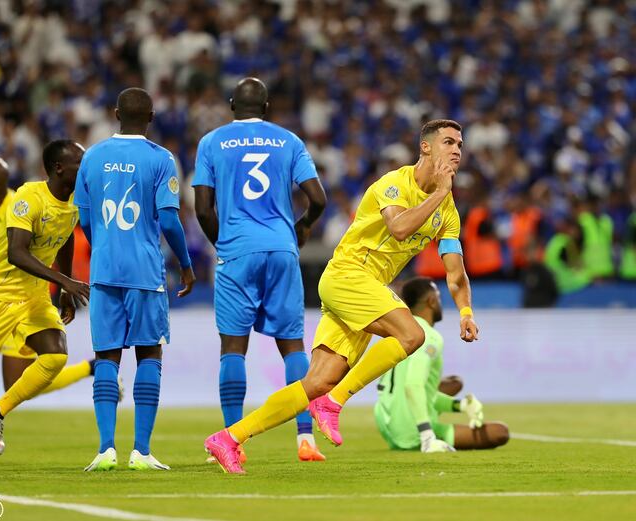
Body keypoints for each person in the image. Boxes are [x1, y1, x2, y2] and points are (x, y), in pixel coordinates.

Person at [205, 118, 479, 474]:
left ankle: (228, 438)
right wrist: (441, 192)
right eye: (448, 142)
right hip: (346, 275)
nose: (456, 150)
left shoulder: (448, 212)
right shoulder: (394, 184)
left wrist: (466, 312)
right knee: (412, 334)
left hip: (366, 291)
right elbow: (398, 229)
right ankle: (335, 402)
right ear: (425, 147)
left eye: (459, 144)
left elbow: (455, 273)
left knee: (317, 381)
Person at [193, 77, 327, 462]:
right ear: (266, 108)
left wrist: (225, 243)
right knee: (292, 347)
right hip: (282, 248)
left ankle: (231, 441)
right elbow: (318, 198)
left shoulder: (212, 142)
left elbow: (203, 208)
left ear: (232, 104)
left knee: (233, 348)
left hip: (238, 250)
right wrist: (302, 226)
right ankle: (305, 439)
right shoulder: (289, 141)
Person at [75, 88, 195, 471]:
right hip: (145, 272)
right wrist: (188, 264)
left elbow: (86, 220)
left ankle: (105, 449)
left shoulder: (91, 157)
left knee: (107, 356)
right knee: (149, 353)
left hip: (104, 272)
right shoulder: (161, 159)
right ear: (152, 117)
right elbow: (172, 220)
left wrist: (106, 248)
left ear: (114, 113)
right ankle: (141, 452)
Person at [0, 141, 91, 455]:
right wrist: (65, 280)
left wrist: (64, 293)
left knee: (55, 355)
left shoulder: (74, 203)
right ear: (59, 168)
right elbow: (16, 253)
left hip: (34, 295)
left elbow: (66, 238)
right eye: (79, 165)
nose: (85, 170)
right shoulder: (29, 196)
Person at [0, 157, 107, 398]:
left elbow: (48, 240)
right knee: (17, 384)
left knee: (18, 382)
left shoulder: (17, 206)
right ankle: (91, 367)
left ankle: (91, 368)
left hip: (20, 301)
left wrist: (64, 282)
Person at [374, 277, 509, 452]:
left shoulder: (397, 333)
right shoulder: (428, 336)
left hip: (387, 425)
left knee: (453, 383)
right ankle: (427, 437)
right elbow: (413, 386)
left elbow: (413, 390)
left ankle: (420, 431)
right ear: (431, 301)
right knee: (500, 432)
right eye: (438, 297)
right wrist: (426, 435)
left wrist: (460, 405)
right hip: (411, 430)